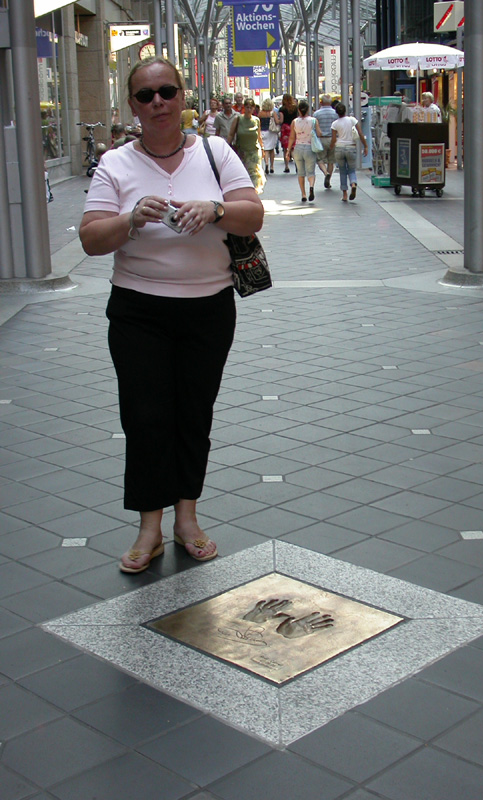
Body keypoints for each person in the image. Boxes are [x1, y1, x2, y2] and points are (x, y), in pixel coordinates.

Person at [79, 57, 264, 573]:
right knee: (145, 416)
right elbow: (91, 238)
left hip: (208, 308)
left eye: (166, 91)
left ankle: (187, 519)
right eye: (145, 95)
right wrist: (130, 220)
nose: (157, 102)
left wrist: (216, 209)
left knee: (192, 413)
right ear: (133, 106)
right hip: (139, 310)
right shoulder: (116, 164)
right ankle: (149, 529)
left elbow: (255, 214)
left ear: (183, 96)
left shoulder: (215, 151)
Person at [330, 103, 368, 202]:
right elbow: (360, 133)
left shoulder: (335, 124)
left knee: (342, 171)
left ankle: (345, 194)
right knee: (351, 170)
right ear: (345, 110)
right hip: (351, 147)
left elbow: (334, 139)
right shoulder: (352, 120)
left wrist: (331, 148)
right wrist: (366, 146)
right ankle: (353, 184)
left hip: (339, 148)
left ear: (336, 112)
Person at [286, 99, 321, 203]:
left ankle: (303, 194)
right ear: (308, 109)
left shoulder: (294, 122)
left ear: (299, 110)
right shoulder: (313, 121)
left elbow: (292, 137)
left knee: (301, 173)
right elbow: (319, 133)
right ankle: (311, 186)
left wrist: (288, 151)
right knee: (311, 172)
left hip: (298, 148)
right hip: (310, 148)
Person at [229, 97, 266, 194]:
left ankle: (254, 192)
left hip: (254, 150)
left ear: (254, 108)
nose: (249, 109)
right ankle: (245, 190)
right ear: (244, 107)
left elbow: (259, 135)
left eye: (251, 107)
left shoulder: (256, 120)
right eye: (247, 107)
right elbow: (231, 134)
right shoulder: (238, 119)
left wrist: (262, 148)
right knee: (243, 172)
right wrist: (227, 147)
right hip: (242, 151)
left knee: (254, 172)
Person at [314, 94, 338, 188]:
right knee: (331, 161)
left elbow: (314, 127)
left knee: (320, 160)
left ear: (321, 102)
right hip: (333, 139)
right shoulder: (335, 113)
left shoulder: (316, 114)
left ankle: (325, 172)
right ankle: (329, 177)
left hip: (321, 140)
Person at [276, 94, 298, 173]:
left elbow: (281, 121)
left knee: (286, 149)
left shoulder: (282, 109)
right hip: (293, 127)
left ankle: (286, 166)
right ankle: (297, 164)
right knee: (293, 147)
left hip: (285, 129)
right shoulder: (295, 108)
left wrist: (276, 120)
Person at [258, 98, 278, 174]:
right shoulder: (272, 113)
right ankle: (272, 166)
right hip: (271, 132)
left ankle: (266, 163)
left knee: (266, 149)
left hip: (263, 132)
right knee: (271, 149)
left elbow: (258, 123)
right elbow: (277, 121)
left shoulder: (260, 113)